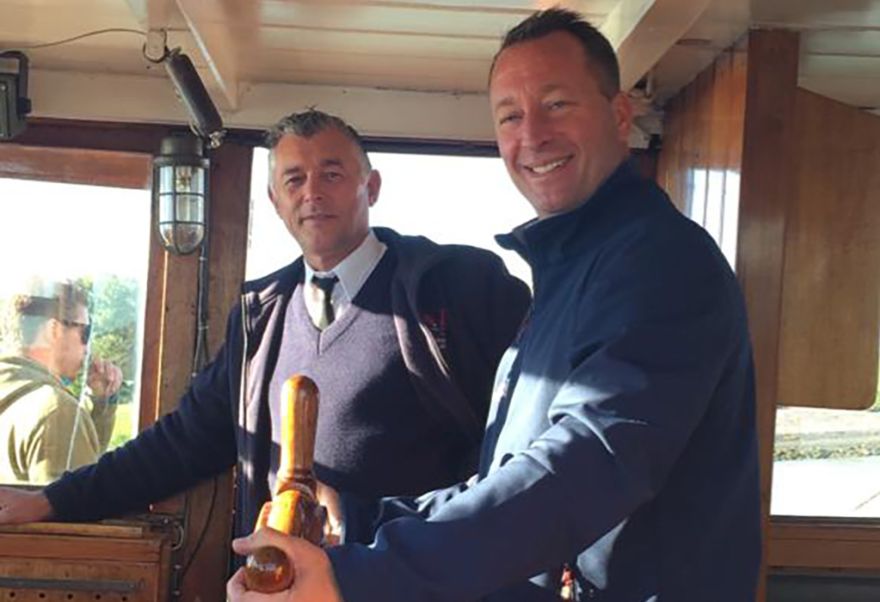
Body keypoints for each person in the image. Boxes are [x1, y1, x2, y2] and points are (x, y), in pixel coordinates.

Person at [227, 8, 761, 602]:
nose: (533, 135)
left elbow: (583, 469)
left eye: (557, 104)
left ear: (618, 115)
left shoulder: (660, 262)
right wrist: (357, 523)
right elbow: (507, 479)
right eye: (510, 116)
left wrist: (359, 575)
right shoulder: (569, 276)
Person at [0, 111, 530, 552]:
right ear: (276, 201)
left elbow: (523, 446)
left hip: (417, 580)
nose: (312, 192)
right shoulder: (260, 319)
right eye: (294, 180)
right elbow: (182, 443)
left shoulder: (457, 289)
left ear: (370, 187)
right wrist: (54, 500)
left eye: (332, 174)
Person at [0, 280, 122, 484]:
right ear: (54, 329)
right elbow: (76, 500)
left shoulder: (13, 398)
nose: (87, 347)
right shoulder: (57, 411)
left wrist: (100, 404)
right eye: (85, 332)